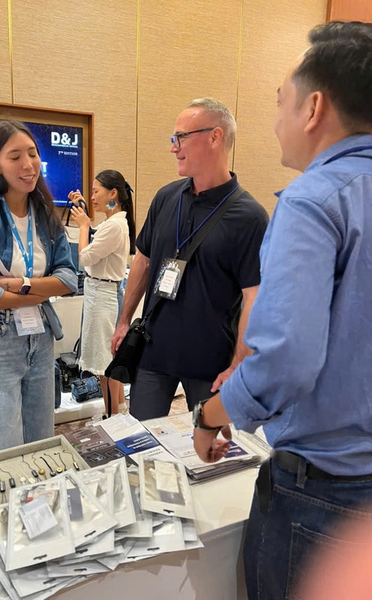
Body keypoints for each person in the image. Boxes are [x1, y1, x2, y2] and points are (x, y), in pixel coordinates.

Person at [192, 22, 372, 599]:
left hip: (323, 493)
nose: (274, 121)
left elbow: (288, 360)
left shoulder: (313, 200)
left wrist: (210, 415)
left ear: (313, 107)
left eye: (278, 102)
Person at [111, 98, 269, 420]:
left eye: (181, 137)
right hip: (154, 349)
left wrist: (239, 363)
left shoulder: (250, 217)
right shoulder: (166, 197)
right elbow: (142, 261)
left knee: (209, 443)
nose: (174, 148)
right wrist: (124, 321)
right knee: (143, 438)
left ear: (215, 137)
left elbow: (255, 298)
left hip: (211, 362)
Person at [0, 120, 77, 453]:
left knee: (42, 442)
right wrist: (41, 291)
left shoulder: (45, 214)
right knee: (6, 448)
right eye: (15, 157)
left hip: (41, 338)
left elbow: (69, 279)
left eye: (33, 154)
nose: (28, 165)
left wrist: (18, 284)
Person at [68, 170, 135, 415]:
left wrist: (83, 225)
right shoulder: (114, 223)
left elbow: (85, 257)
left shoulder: (114, 225)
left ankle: (111, 417)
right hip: (103, 292)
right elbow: (97, 242)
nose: (93, 196)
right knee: (109, 358)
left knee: (104, 363)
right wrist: (85, 213)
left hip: (102, 296)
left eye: (96, 191)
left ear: (113, 193)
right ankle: (119, 411)